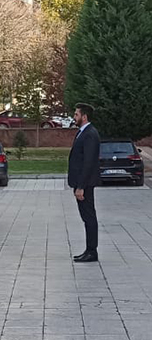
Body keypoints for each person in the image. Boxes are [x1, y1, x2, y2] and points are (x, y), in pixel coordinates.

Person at [69, 103, 101, 263]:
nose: (74, 117)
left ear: (84, 117)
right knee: (86, 217)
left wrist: (81, 186)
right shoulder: (83, 132)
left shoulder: (90, 134)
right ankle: (89, 250)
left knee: (89, 217)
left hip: (85, 184)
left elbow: (88, 162)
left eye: (76, 115)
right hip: (82, 183)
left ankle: (92, 251)